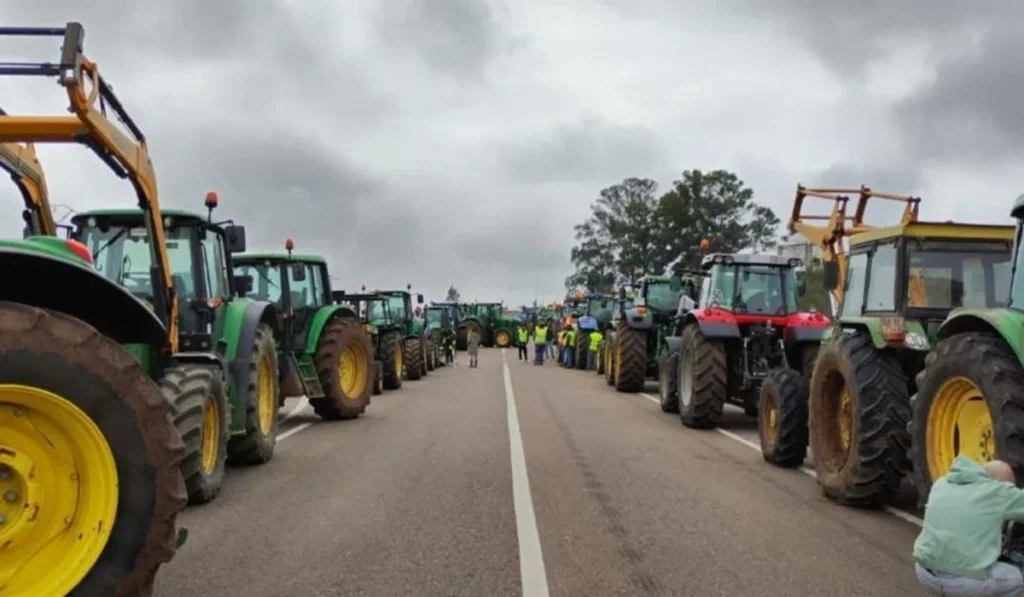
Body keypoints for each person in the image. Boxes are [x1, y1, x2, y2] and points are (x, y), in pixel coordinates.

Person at [914, 456, 1024, 596]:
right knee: (1016, 578)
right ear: (998, 482)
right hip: (962, 583)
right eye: (1009, 486)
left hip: (925, 573)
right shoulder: (996, 491)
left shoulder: (941, 483)